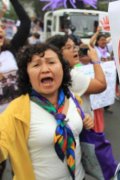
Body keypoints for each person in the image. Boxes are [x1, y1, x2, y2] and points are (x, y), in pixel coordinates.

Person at [0, 43, 94, 179]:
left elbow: (76, 127)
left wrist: (86, 121)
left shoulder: (73, 98)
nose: (45, 69)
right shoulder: (16, 111)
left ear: (62, 67)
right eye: (36, 65)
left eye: (51, 62)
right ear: (26, 74)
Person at [0, 0, 31, 178]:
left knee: (20, 165)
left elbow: (25, 22)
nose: (1, 30)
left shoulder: (11, 50)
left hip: (18, 117)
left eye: (2, 28)